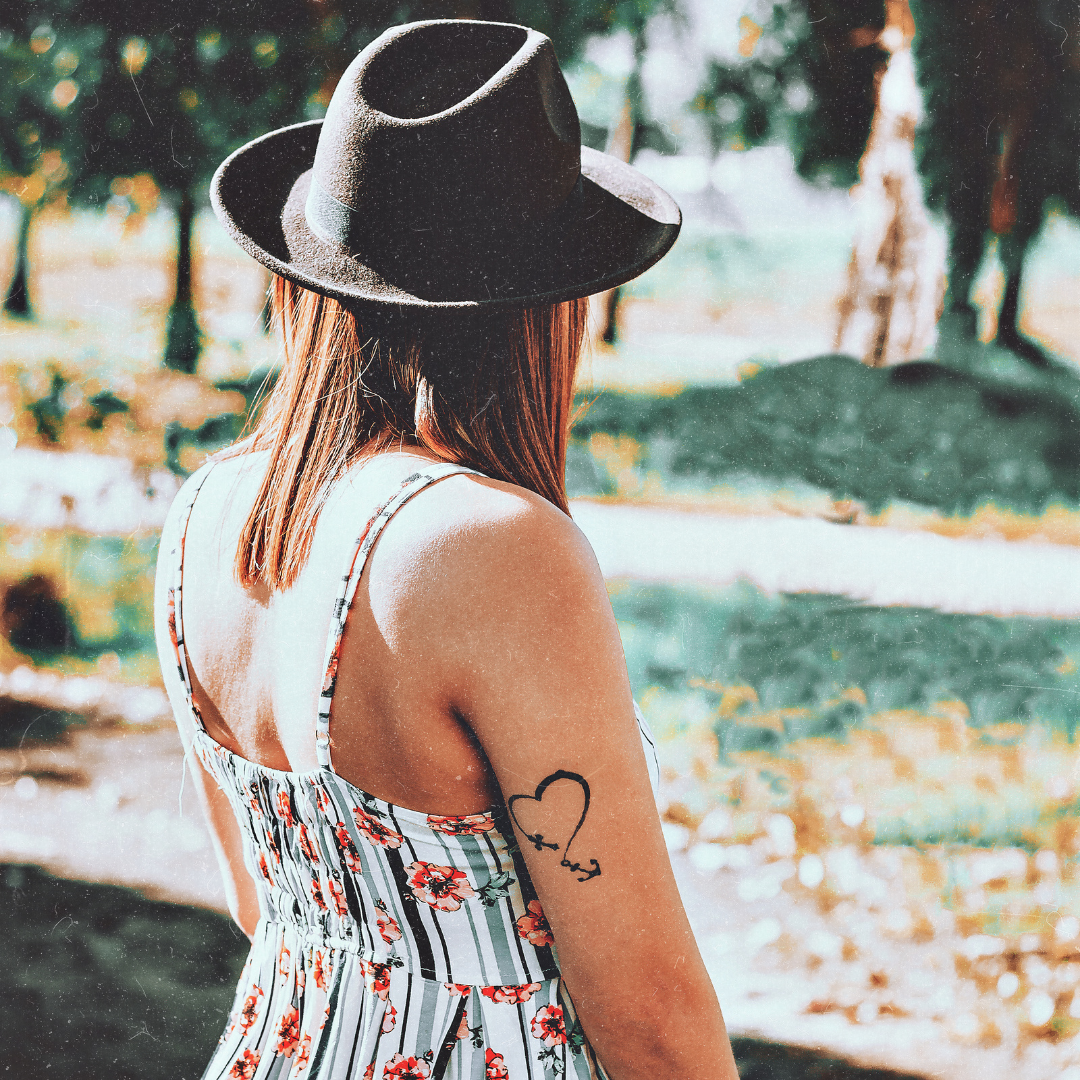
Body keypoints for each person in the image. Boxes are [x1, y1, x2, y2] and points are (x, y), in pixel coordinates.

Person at [154, 18, 740, 1080]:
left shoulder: (209, 512)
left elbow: (258, 899)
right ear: (547, 309)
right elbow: (650, 1016)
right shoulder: (491, 548)